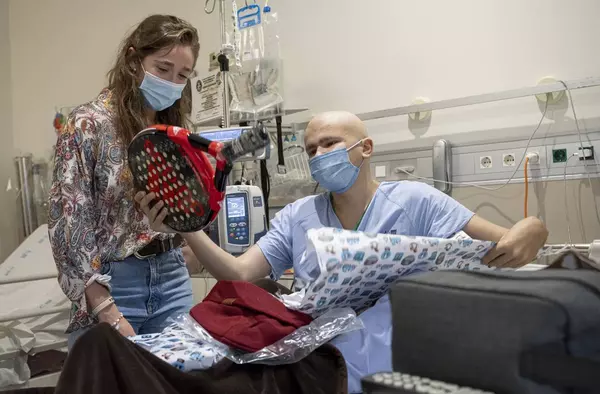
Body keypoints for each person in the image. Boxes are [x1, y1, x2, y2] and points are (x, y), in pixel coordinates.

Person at [136, 111, 548, 392]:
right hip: (310, 350)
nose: (318, 156)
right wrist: (186, 229)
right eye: (311, 149)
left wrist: (533, 229)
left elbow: (505, 244)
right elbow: (240, 275)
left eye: (330, 143)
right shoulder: (299, 216)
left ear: (365, 148)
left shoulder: (417, 200)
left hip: (388, 350)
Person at [48, 15, 200, 348]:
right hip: (114, 285)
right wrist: (105, 308)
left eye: (182, 75)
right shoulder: (88, 124)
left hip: (172, 278)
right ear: (133, 60)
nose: (172, 82)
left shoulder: (172, 132)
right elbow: (69, 230)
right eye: (162, 69)